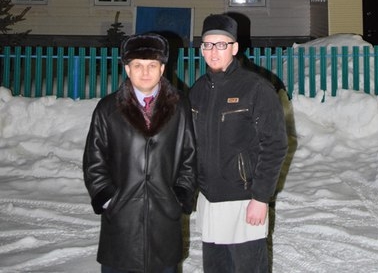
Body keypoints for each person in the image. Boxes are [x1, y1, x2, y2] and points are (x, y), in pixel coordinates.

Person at [83, 32, 197, 273]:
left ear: (162, 68)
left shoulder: (180, 107)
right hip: (121, 222)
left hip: (164, 220)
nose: (145, 72)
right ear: (127, 69)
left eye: (152, 65)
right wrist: (109, 199)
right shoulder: (107, 109)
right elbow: (94, 160)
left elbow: (189, 157)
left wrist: (179, 196)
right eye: (138, 65)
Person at [189, 14, 288, 273]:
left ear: (234, 48)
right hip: (210, 198)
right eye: (208, 45)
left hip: (244, 199)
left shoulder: (256, 89)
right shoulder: (197, 90)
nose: (213, 51)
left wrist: (260, 198)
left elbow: (275, 145)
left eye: (221, 44)